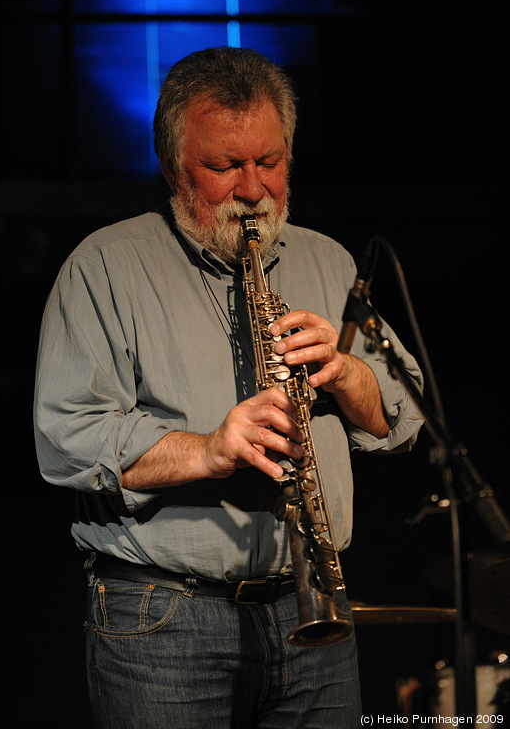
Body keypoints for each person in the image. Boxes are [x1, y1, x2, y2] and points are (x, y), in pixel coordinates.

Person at [34, 47, 424, 729]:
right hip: (163, 622)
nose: (253, 188)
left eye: (269, 161)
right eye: (224, 166)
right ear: (172, 166)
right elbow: (66, 442)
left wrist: (350, 374)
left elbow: (408, 419)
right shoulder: (103, 267)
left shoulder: (327, 260)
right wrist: (209, 449)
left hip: (315, 609)